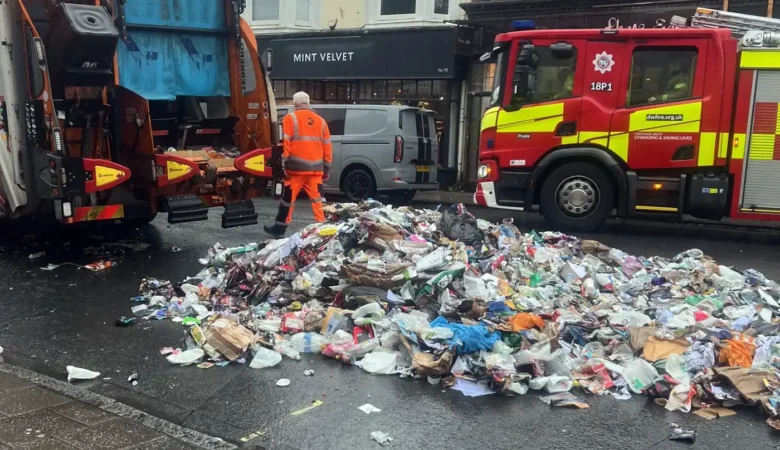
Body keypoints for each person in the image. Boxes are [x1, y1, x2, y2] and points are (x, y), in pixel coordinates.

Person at [264, 92, 332, 237]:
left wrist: (283, 165)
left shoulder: (290, 118)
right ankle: (325, 229)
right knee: (319, 201)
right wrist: (326, 168)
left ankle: (279, 229)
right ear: (308, 103)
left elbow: (285, 144)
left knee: (288, 200)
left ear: (295, 104)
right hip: (315, 170)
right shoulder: (321, 121)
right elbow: (327, 147)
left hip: (295, 170)